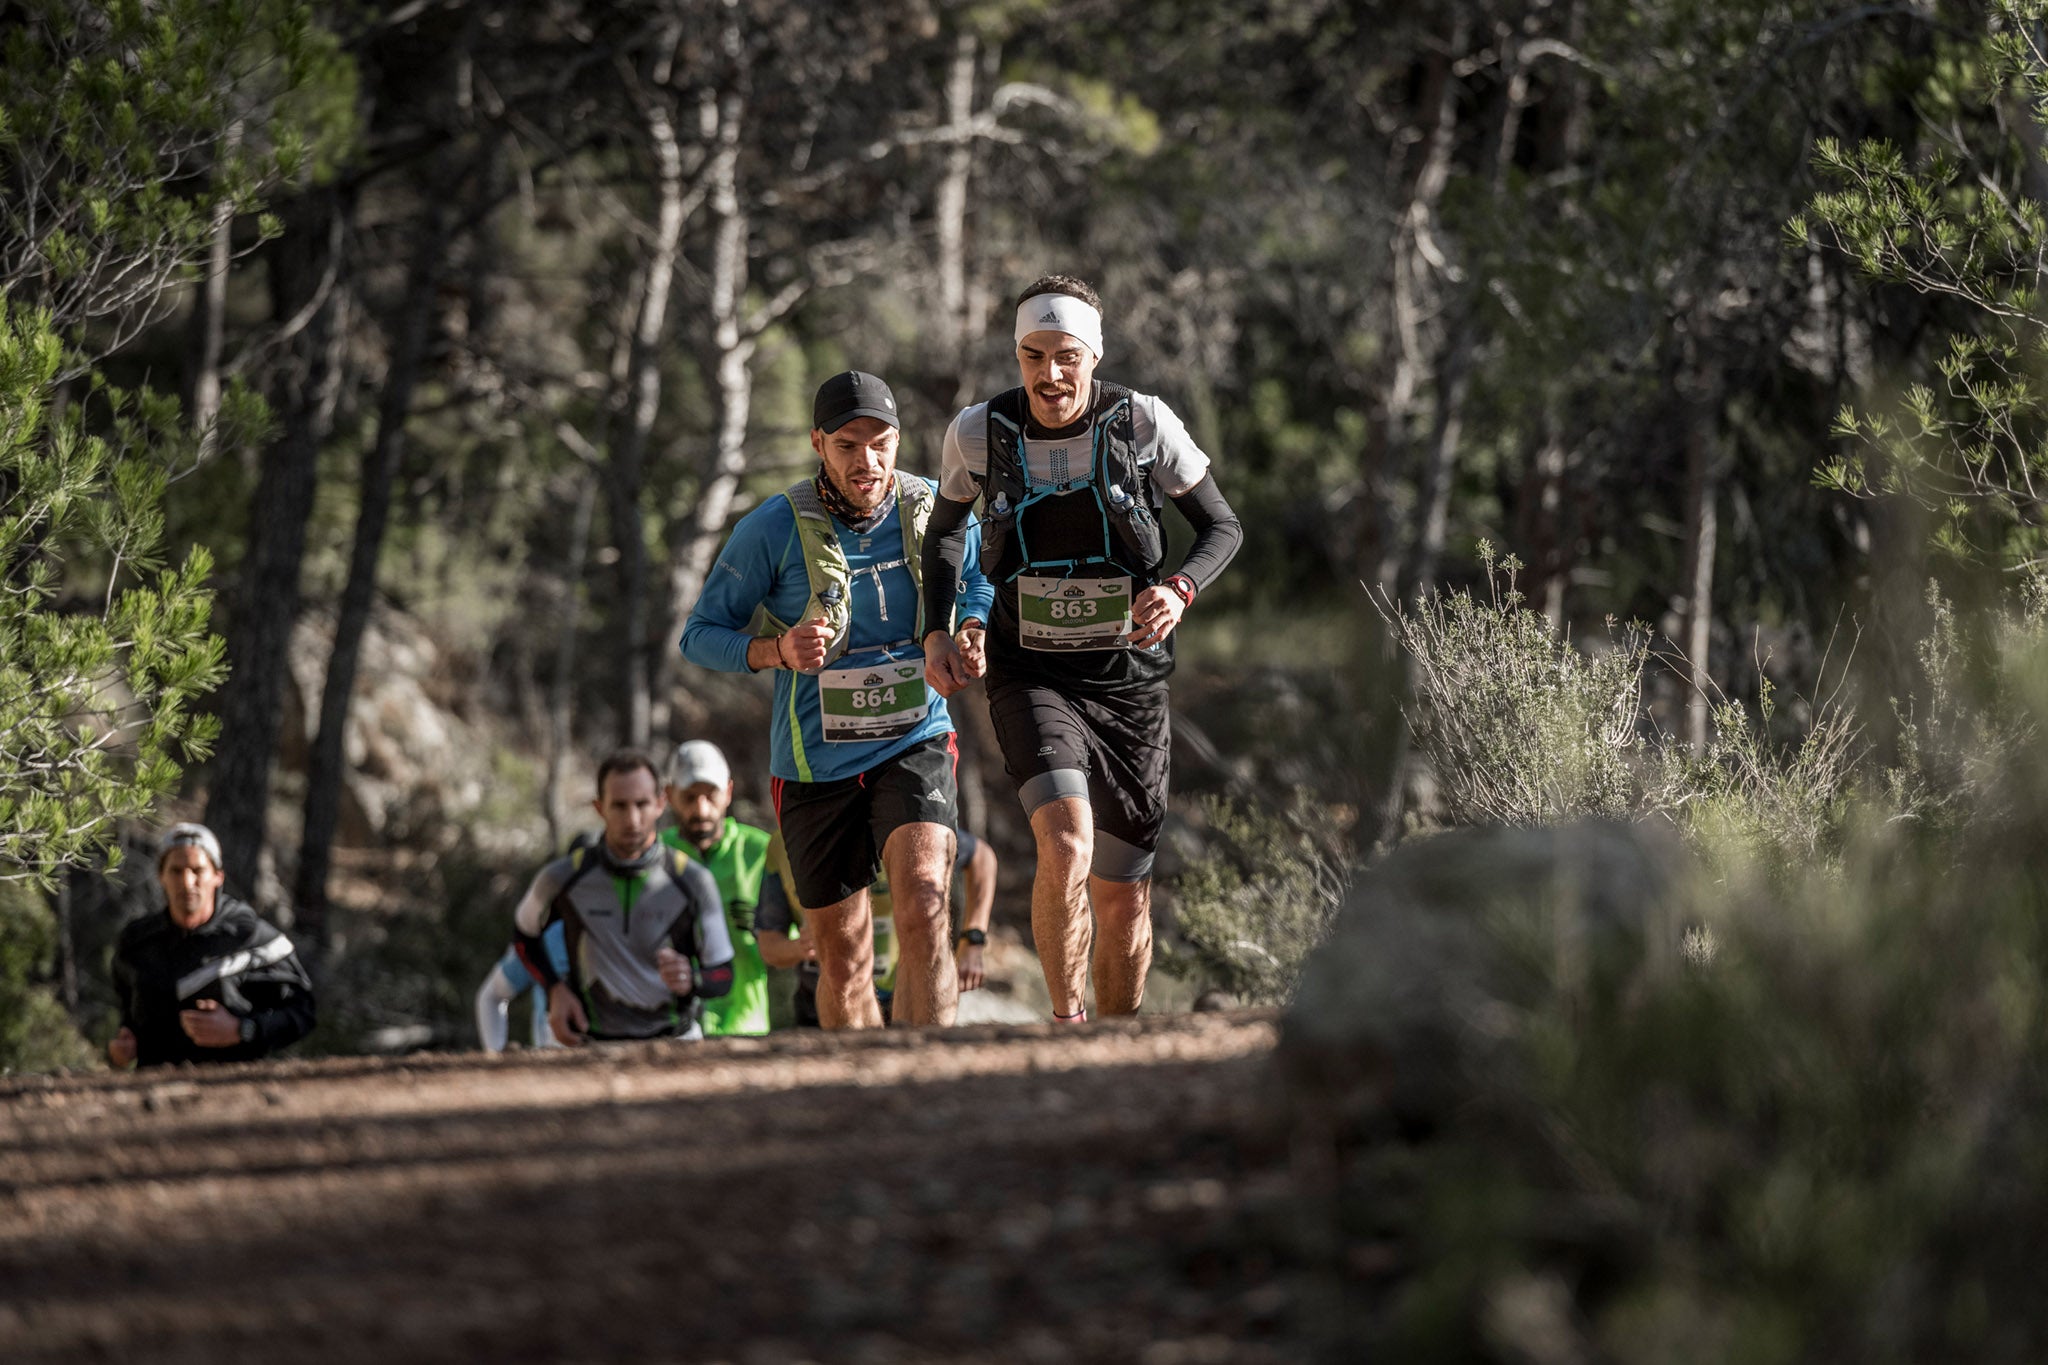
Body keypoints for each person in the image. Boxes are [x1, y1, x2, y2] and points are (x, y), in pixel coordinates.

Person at [921, 274, 1243, 1022]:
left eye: (1066, 356)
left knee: (1124, 895)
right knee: (1066, 841)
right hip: (1030, 670)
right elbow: (943, 531)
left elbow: (1222, 527)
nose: (1049, 373)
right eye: (1033, 355)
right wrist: (938, 627)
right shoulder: (980, 432)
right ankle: (1066, 1027)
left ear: (1092, 356)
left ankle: (1116, 1042)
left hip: (1128, 680)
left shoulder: (1144, 424)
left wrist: (1180, 590)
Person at [681, 370, 994, 1029]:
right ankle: (868, 1103)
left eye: (881, 444)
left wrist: (972, 628)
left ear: (899, 441)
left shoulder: (935, 507)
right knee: (844, 955)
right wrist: (775, 651)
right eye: (848, 445)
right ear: (818, 444)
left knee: (924, 906)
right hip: (813, 763)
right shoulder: (772, 527)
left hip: (915, 736)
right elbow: (699, 634)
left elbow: (980, 581)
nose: (867, 461)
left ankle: (928, 1086)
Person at [512, 748, 735, 1044]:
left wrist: (691, 980)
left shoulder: (693, 880)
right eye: (619, 806)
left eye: (642, 804)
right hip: (591, 1047)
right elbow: (523, 935)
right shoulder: (562, 877)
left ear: (660, 803)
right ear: (598, 807)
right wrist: (554, 988)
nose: (632, 820)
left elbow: (723, 975)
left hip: (676, 1044)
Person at [108, 823, 316, 1067]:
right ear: (160, 876)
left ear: (218, 876)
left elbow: (303, 1013)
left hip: (233, 1091)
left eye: (197, 870)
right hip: (152, 1091)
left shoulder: (251, 937)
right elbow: (127, 1010)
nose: (187, 882)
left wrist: (243, 1030)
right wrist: (125, 1045)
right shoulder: (137, 942)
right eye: (176, 871)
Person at [754, 824, 997, 1027]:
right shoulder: (785, 842)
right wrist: (799, 948)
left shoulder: (905, 829)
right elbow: (769, 946)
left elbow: (981, 857)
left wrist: (973, 939)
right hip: (825, 997)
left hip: (903, 993)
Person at [658, 739, 773, 1037]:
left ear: (729, 792)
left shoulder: (761, 852)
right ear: (669, 795)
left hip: (746, 1024)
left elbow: (795, 940)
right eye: (690, 797)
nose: (702, 809)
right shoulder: (654, 856)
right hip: (669, 1027)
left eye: (711, 795)